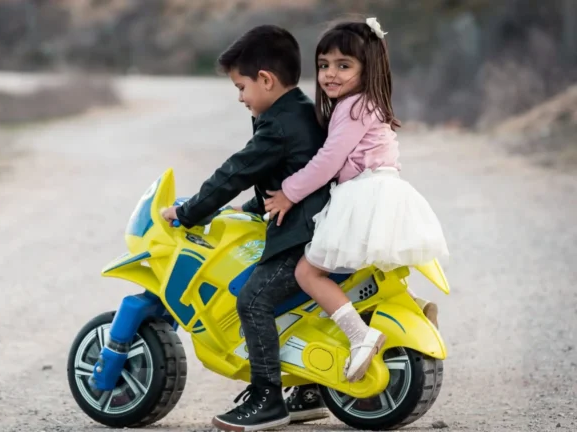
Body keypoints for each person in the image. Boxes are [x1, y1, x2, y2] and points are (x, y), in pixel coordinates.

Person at [160, 24, 334, 432]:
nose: (240, 97)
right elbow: (294, 169)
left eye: (241, 87)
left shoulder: (277, 126)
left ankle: (266, 398)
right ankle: (310, 390)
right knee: (292, 304)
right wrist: (253, 206)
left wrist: (188, 213)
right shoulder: (300, 111)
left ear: (266, 80)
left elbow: (235, 171)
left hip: (302, 236)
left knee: (253, 299)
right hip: (318, 224)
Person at [263, 17, 449, 384]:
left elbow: (329, 160)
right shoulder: (369, 103)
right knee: (371, 268)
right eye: (324, 65)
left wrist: (289, 192)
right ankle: (415, 307)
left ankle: (359, 335)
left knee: (308, 272)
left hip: (363, 193)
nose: (330, 74)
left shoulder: (352, 108)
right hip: (386, 188)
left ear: (368, 70)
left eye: (343, 65)